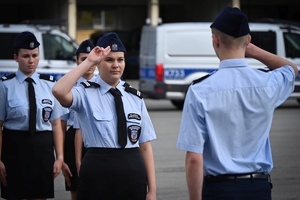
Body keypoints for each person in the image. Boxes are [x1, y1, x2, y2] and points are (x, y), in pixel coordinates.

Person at [176, 6, 298, 200]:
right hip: (259, 189)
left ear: (215, 41)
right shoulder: (267, 83)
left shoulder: (200, 90)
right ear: (248, 40)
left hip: (219, 190)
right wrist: (252, 49)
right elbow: (291, 69)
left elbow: (194, 158)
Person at [52, 32, 157, 200]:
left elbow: (145, 145)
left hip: (133, 173)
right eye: (109, 60)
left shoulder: (135, 97)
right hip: (97, 174)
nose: (116, 65)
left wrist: (152, 190)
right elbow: (58, 91)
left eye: (120, 59)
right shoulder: (85, 93)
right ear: (99, 63)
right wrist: (88, 61)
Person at [0, 31, 68, 199]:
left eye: (35, 55)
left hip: (41, 149)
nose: (31, 60)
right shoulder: (5, 86)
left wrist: (59, 157)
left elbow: (56, 124)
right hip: (14, 148)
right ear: (16, 57)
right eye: (26, 56)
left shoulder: (50, 85)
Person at [61, 39, 97, 200]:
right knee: (76, 188)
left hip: (97, 140)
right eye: (84, 59)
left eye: (91, 58)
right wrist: (60, 157)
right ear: (77, 62)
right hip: (73, 141)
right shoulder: (69, 87)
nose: (88, 63)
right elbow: (61, 125)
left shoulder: (103, 85)